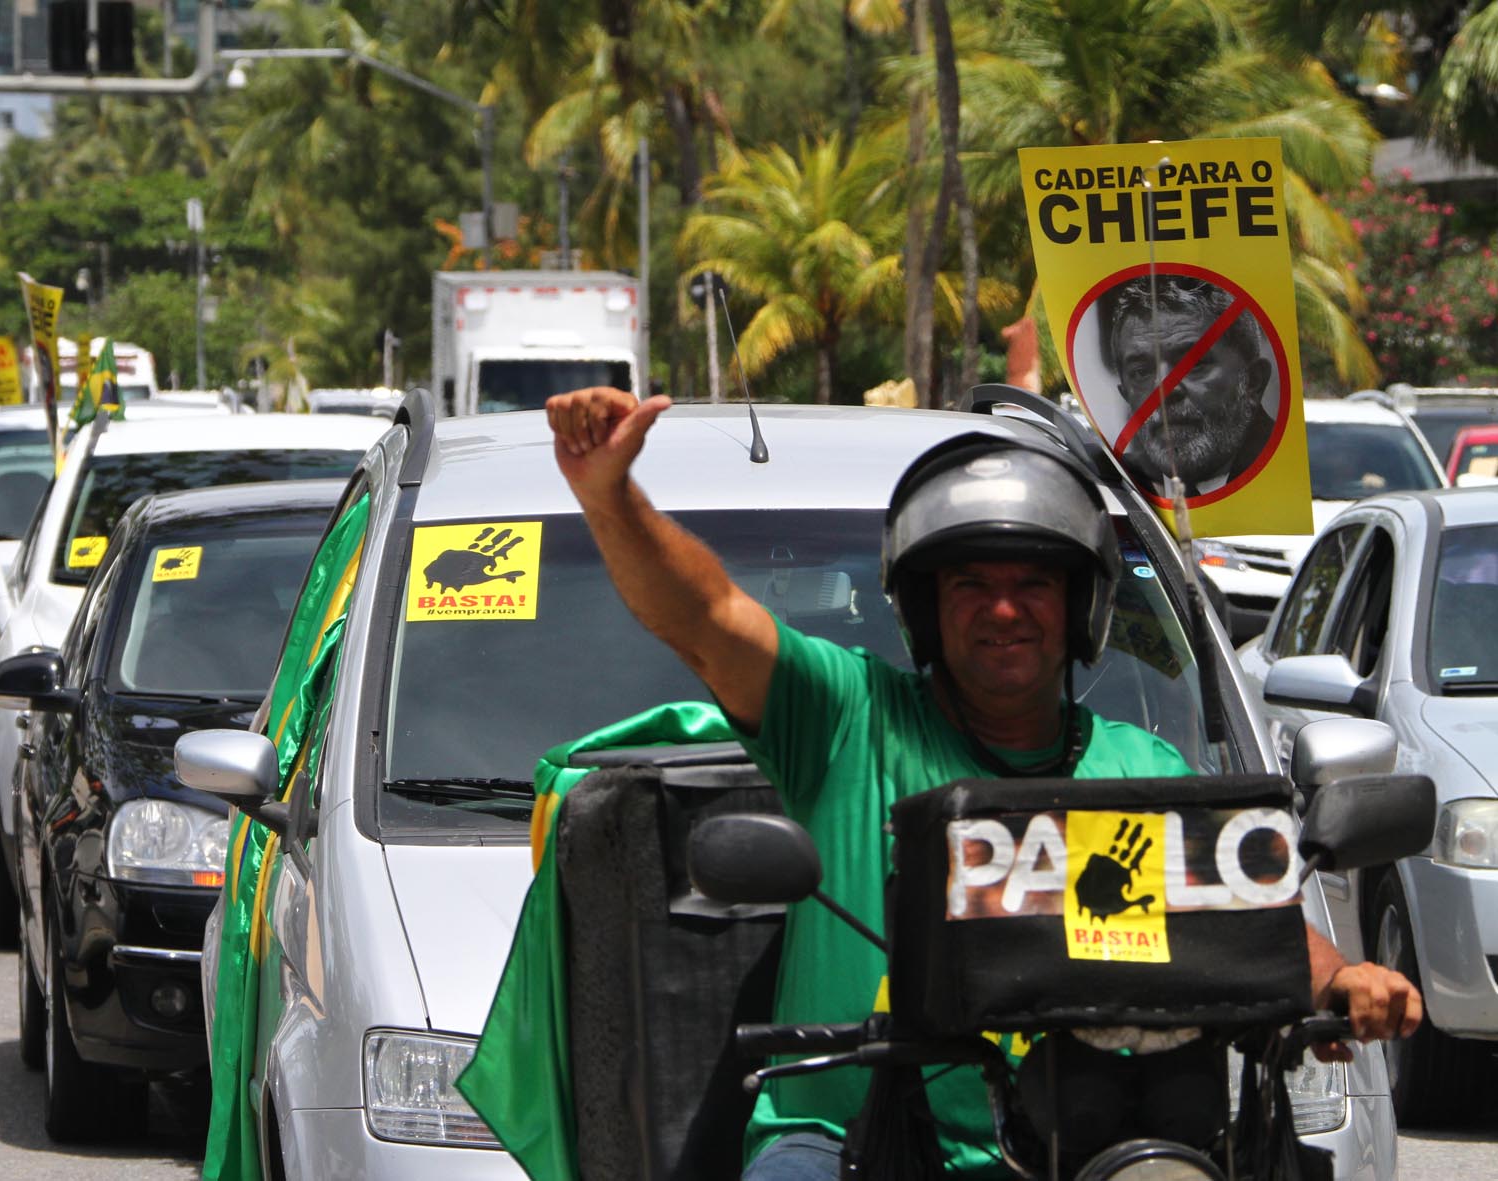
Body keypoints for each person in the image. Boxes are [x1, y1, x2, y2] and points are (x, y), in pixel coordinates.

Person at [545, 387, 1421, 1179]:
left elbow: (1240, 913)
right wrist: (608, 494)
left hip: (1090, 1139)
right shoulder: (850, 717)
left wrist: (1339, 978)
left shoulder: (1140, 769)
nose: (1005, 610)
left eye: (1033, 583)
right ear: (926, 609)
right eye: (971, 585)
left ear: (1080, 607)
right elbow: (703, 618)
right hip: (851, 1130)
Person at [1101, 276, 1277, 497]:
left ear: (1253, 381)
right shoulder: (1109, 485)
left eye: (1193, 364)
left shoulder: (1289, 468)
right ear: (1125, 395)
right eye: (1142, 372)